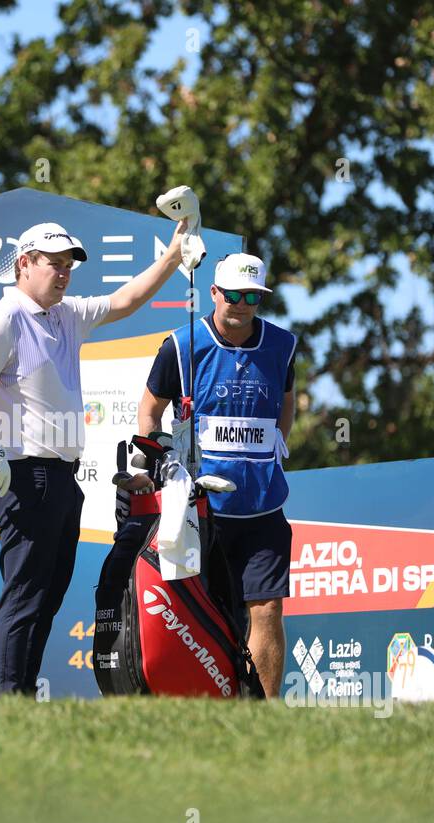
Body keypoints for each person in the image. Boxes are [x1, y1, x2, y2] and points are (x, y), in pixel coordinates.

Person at [0, 216, 190, 694]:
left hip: (61, 478)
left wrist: (172, 255)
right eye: (53, 264)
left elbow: (126, 300)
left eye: (68, 266)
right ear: (24, 264)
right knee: (26, 595)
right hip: (25, 474)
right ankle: (8, 701)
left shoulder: (65, 313)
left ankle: (20, 695)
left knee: (49, 594)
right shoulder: (7, 316)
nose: (63, 274)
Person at [137, 253, 296, 698]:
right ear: (214, 293)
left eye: (252, 297)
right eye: (233, 295)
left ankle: (261, 716)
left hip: (263, 506)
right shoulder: (182, 345)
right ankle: (205, 705)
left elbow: (287, 395)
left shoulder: (282, 345)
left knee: (266, 610)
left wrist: (280, 439)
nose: (242, 304)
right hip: (199, 506)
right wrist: (159, 460)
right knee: (201, 613)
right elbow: (149, 410)